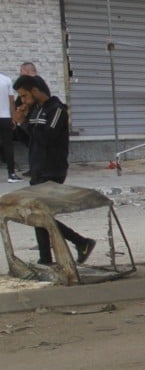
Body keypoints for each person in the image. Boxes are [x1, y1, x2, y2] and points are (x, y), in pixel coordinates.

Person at [11, 75, 96, 266]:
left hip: (52, 168)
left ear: (34, 90)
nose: (23, 100)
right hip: (37, 168)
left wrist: (25, 123)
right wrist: (19, 123)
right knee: (39, 214)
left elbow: (47, 138)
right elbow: (30, 141)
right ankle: (47, 258)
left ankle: (80, 242)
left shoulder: (56, 109)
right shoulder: (35, 110)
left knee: (40, 214)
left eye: (24, 96)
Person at [0, 68, 16, 182]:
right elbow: (11, 101)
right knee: (8, 146)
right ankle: (11, 174)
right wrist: (14, 118)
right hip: (5, 117)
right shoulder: (6, 80)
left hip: (5, 117)